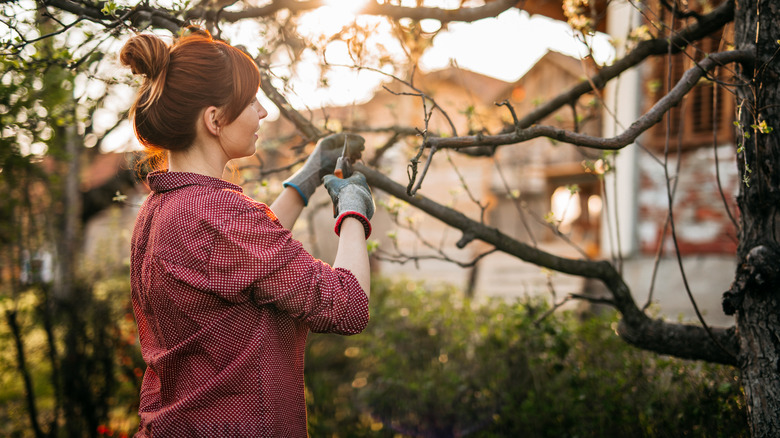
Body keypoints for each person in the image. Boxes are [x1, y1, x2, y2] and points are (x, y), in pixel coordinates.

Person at [121, 27, 374, 437]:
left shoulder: (161, 209)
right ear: (214, 119)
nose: (263, 112)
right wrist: (353, 211)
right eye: (250, 101)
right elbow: (347, 306)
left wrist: (306, 179)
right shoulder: (219, 213)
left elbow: (245, 262)